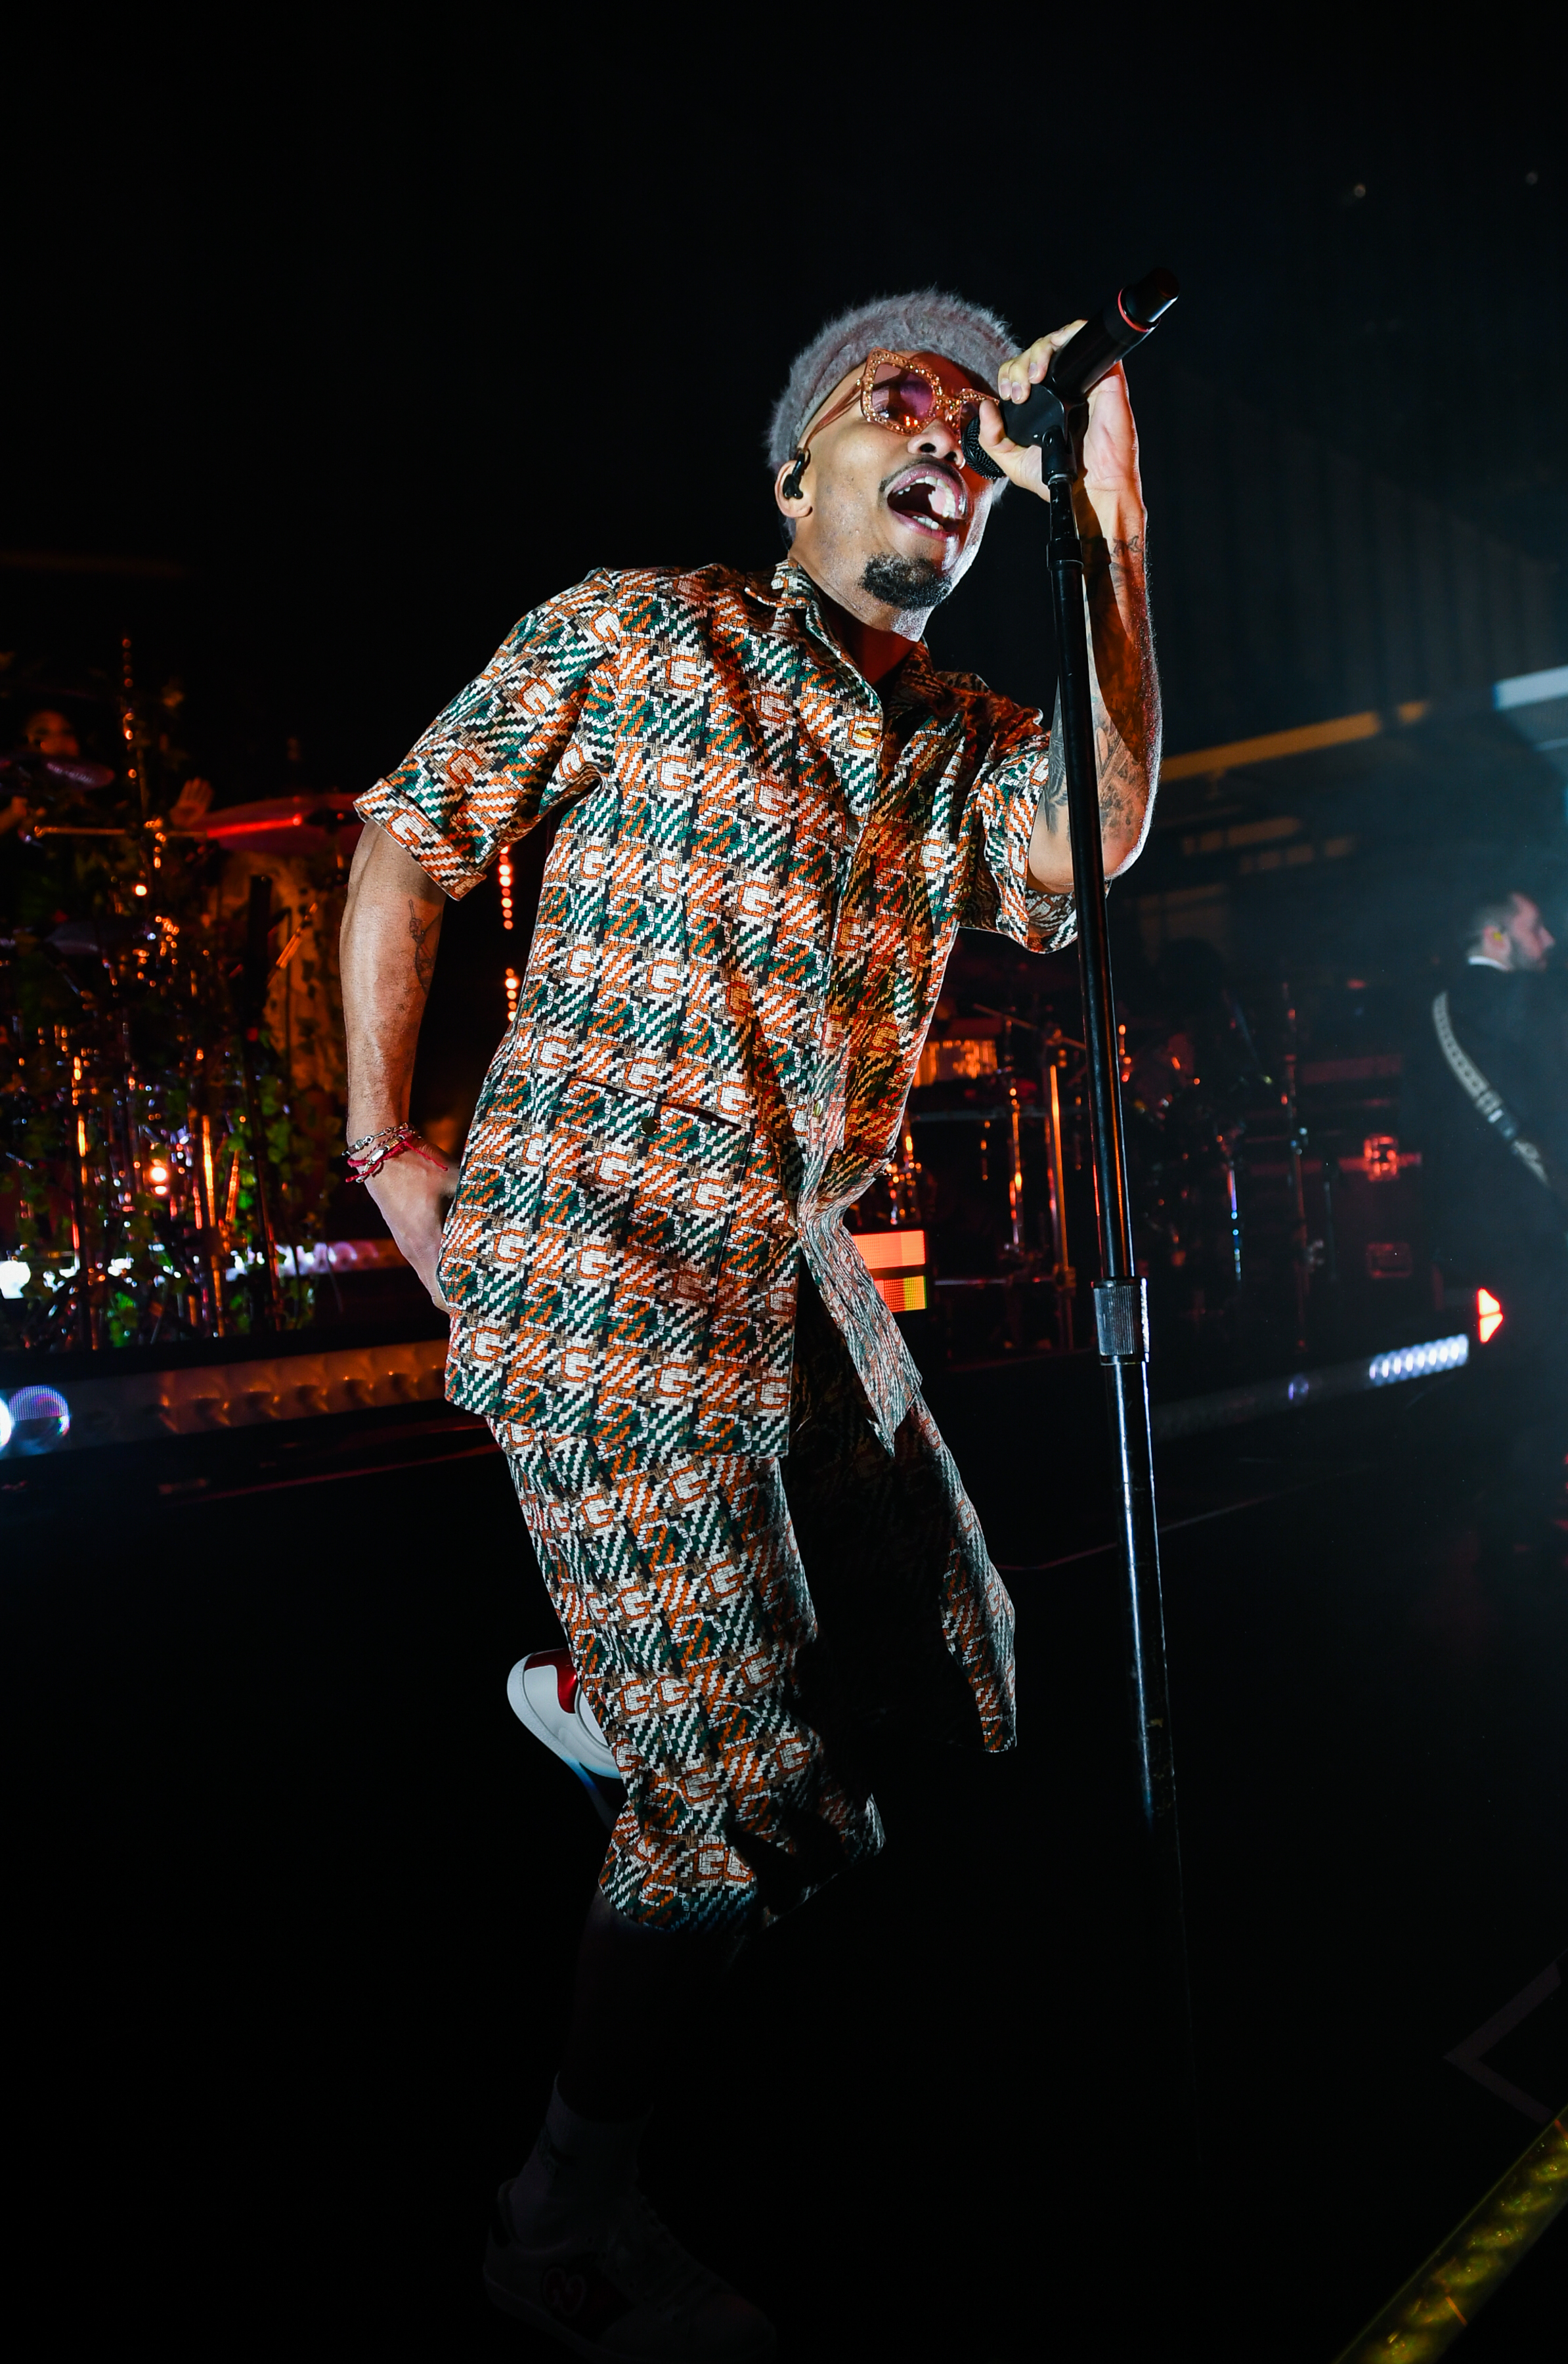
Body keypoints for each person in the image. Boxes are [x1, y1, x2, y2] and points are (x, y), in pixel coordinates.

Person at [339, 292, 1160, 2358]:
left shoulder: (959, 737)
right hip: (596, 1263)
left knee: (963, 1674)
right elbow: (408, 836)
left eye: (980, 449)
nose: (949, 457)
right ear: (790, 471)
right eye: (905, 416)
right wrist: (382, 1149)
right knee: (745, 1820)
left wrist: (1115, 534)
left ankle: (624, 1697)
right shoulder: (635, 632)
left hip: (779, 1270)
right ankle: (557, 2217)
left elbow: (1092, 842)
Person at [1419, 889, 1568, 1501]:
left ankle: (1503, 1488)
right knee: (1553, 1351)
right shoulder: (1532, 1002)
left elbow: (1414, 1120)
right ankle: (1527, 1493)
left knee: (1516, 1344)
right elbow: (1562, 1111)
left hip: (1464, 1226)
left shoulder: (1432, 1011)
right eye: (1535, 929)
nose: (1549, 942)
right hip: (1533, 1218)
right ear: (1496, 939)